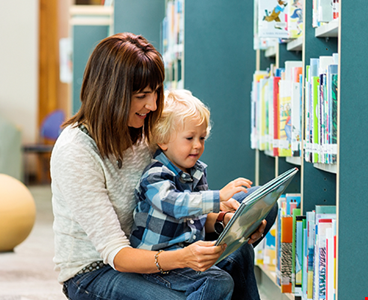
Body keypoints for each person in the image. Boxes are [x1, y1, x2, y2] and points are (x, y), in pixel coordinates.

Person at [50, 32, 273, 300]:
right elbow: (116, 254)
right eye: (143, 95)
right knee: (202, 288)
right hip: (98, 270)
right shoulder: (75, 150)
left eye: (156, 92)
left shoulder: (146, 132)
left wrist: (224, 222)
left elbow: (171, 209)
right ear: (111, 94)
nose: (153, 104)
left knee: (250, 220)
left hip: (159, 244)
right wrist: (184, 258)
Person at [130, 89, 258, 299]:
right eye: (189, 138)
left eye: (202, 138)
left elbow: (197, 215)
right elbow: (176, 205)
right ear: (163, 140)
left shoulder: (196, 171)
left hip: (189, 251)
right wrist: (219, 198)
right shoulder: (155, 175)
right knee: (216, 280)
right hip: (159, 263)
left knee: (241, 252)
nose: (198, 145)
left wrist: (229, 219)